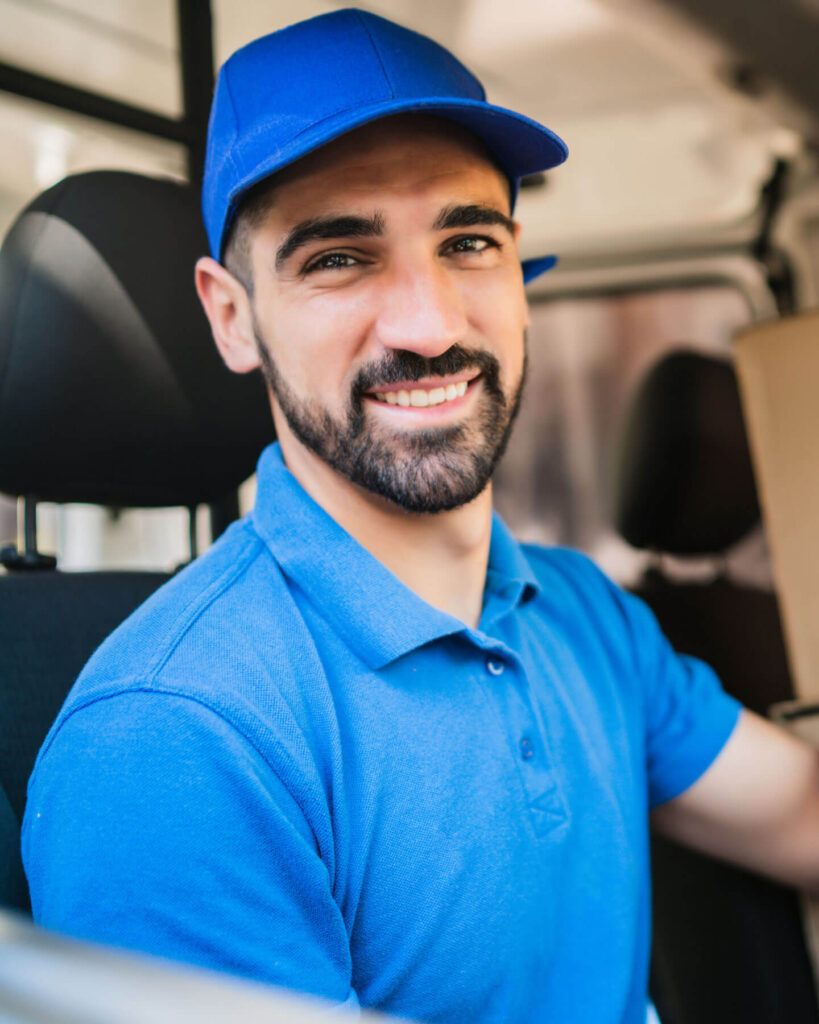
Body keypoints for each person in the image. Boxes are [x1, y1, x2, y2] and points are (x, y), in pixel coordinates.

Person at [22, 9, 819, 1024]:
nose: (431, 324)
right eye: (340, 258)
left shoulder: (580, 610)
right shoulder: (172, 734)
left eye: (469, 241)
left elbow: (800, 809)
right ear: (232, 315)